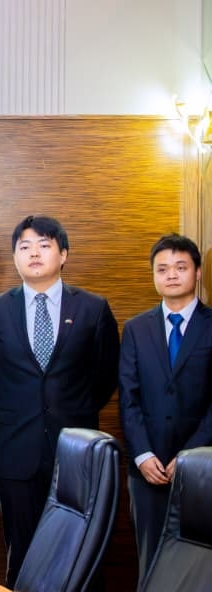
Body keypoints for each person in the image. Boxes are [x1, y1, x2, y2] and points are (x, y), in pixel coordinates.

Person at [0, 214, 120, 587]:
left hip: (76, 454)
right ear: (15, 257)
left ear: (63, 254)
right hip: (16, 450)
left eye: (44, 244)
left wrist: (74, 411)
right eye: (24, 246)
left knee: (79, 553)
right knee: (22, 551)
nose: (33, 253)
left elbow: (105, 378)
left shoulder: (92, 308)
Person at [119, 233, 212, 582]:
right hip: (148, 470)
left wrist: (189, 457)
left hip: (203, 469)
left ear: (198, 272)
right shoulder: (135, 329)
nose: (171, 274)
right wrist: (142, 455)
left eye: (180, 267)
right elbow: (128, 398)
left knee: (197, 569)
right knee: (150, 561)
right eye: (162, 269)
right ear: (154, 276)